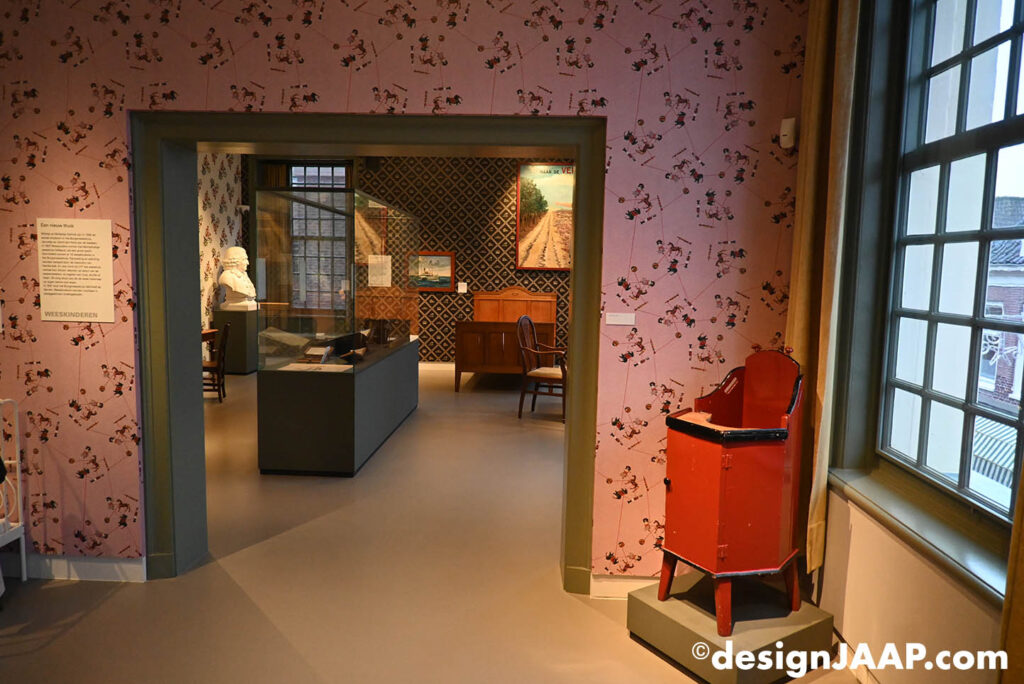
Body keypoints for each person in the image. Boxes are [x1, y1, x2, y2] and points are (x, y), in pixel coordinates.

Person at [218, 246, 257, 310]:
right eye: (244, 259)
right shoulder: (227, 277)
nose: (248, 263)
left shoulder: (244, 275)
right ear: (235, 261)